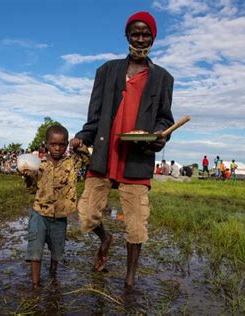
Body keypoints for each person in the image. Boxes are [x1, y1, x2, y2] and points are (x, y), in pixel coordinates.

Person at [70, 11, 174, 289]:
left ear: (153, 38)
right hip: (104, 155)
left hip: (137, 160)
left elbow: (165, 118)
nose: (140, 39)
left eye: (146, 34)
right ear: (126, 36)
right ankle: (105, 238)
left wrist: (160, 137)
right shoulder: (106, 71)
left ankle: (129, 279)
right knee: (87, 215)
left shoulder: (163, 78)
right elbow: (94, 116)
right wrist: (82, 136)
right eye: (135, 33)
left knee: (137, 226)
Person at [21, 125, 89, 289]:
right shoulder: (39, 165)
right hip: (39, 213)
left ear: (66, 145)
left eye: (62, 144)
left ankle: (53, 273)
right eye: (53, 144)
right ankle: (35, 284)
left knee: (57, 250)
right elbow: (31, 189)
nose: (57, 148)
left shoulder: (72, 163)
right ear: (46, 144)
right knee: (35, 249)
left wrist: (79, 144)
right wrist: (28, 177)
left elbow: (86, 158)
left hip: (60, 216)